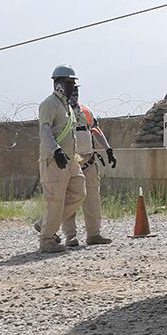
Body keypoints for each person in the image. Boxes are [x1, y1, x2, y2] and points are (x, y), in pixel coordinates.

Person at [35, 66, 92, 253]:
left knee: (79, 192)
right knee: (55, 200)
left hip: (70, 159)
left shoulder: (66, 105)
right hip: (54, 160)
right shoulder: (49, 104)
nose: (72, 87)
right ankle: (46, 240)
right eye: (69, 83)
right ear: (59, 83)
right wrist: (56, 151)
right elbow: (45, 131)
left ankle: (45, 224)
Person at [57, 87, 116, 247]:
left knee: (92, 200)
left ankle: (94, 234)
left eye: (76, 92)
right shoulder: (59, 112)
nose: (74, 95)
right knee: (71, 200)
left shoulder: (85, 111)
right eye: (71, 91)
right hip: (70, 163)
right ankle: (70, 236)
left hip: (88, 162)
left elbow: (95, 130)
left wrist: (108, 149)